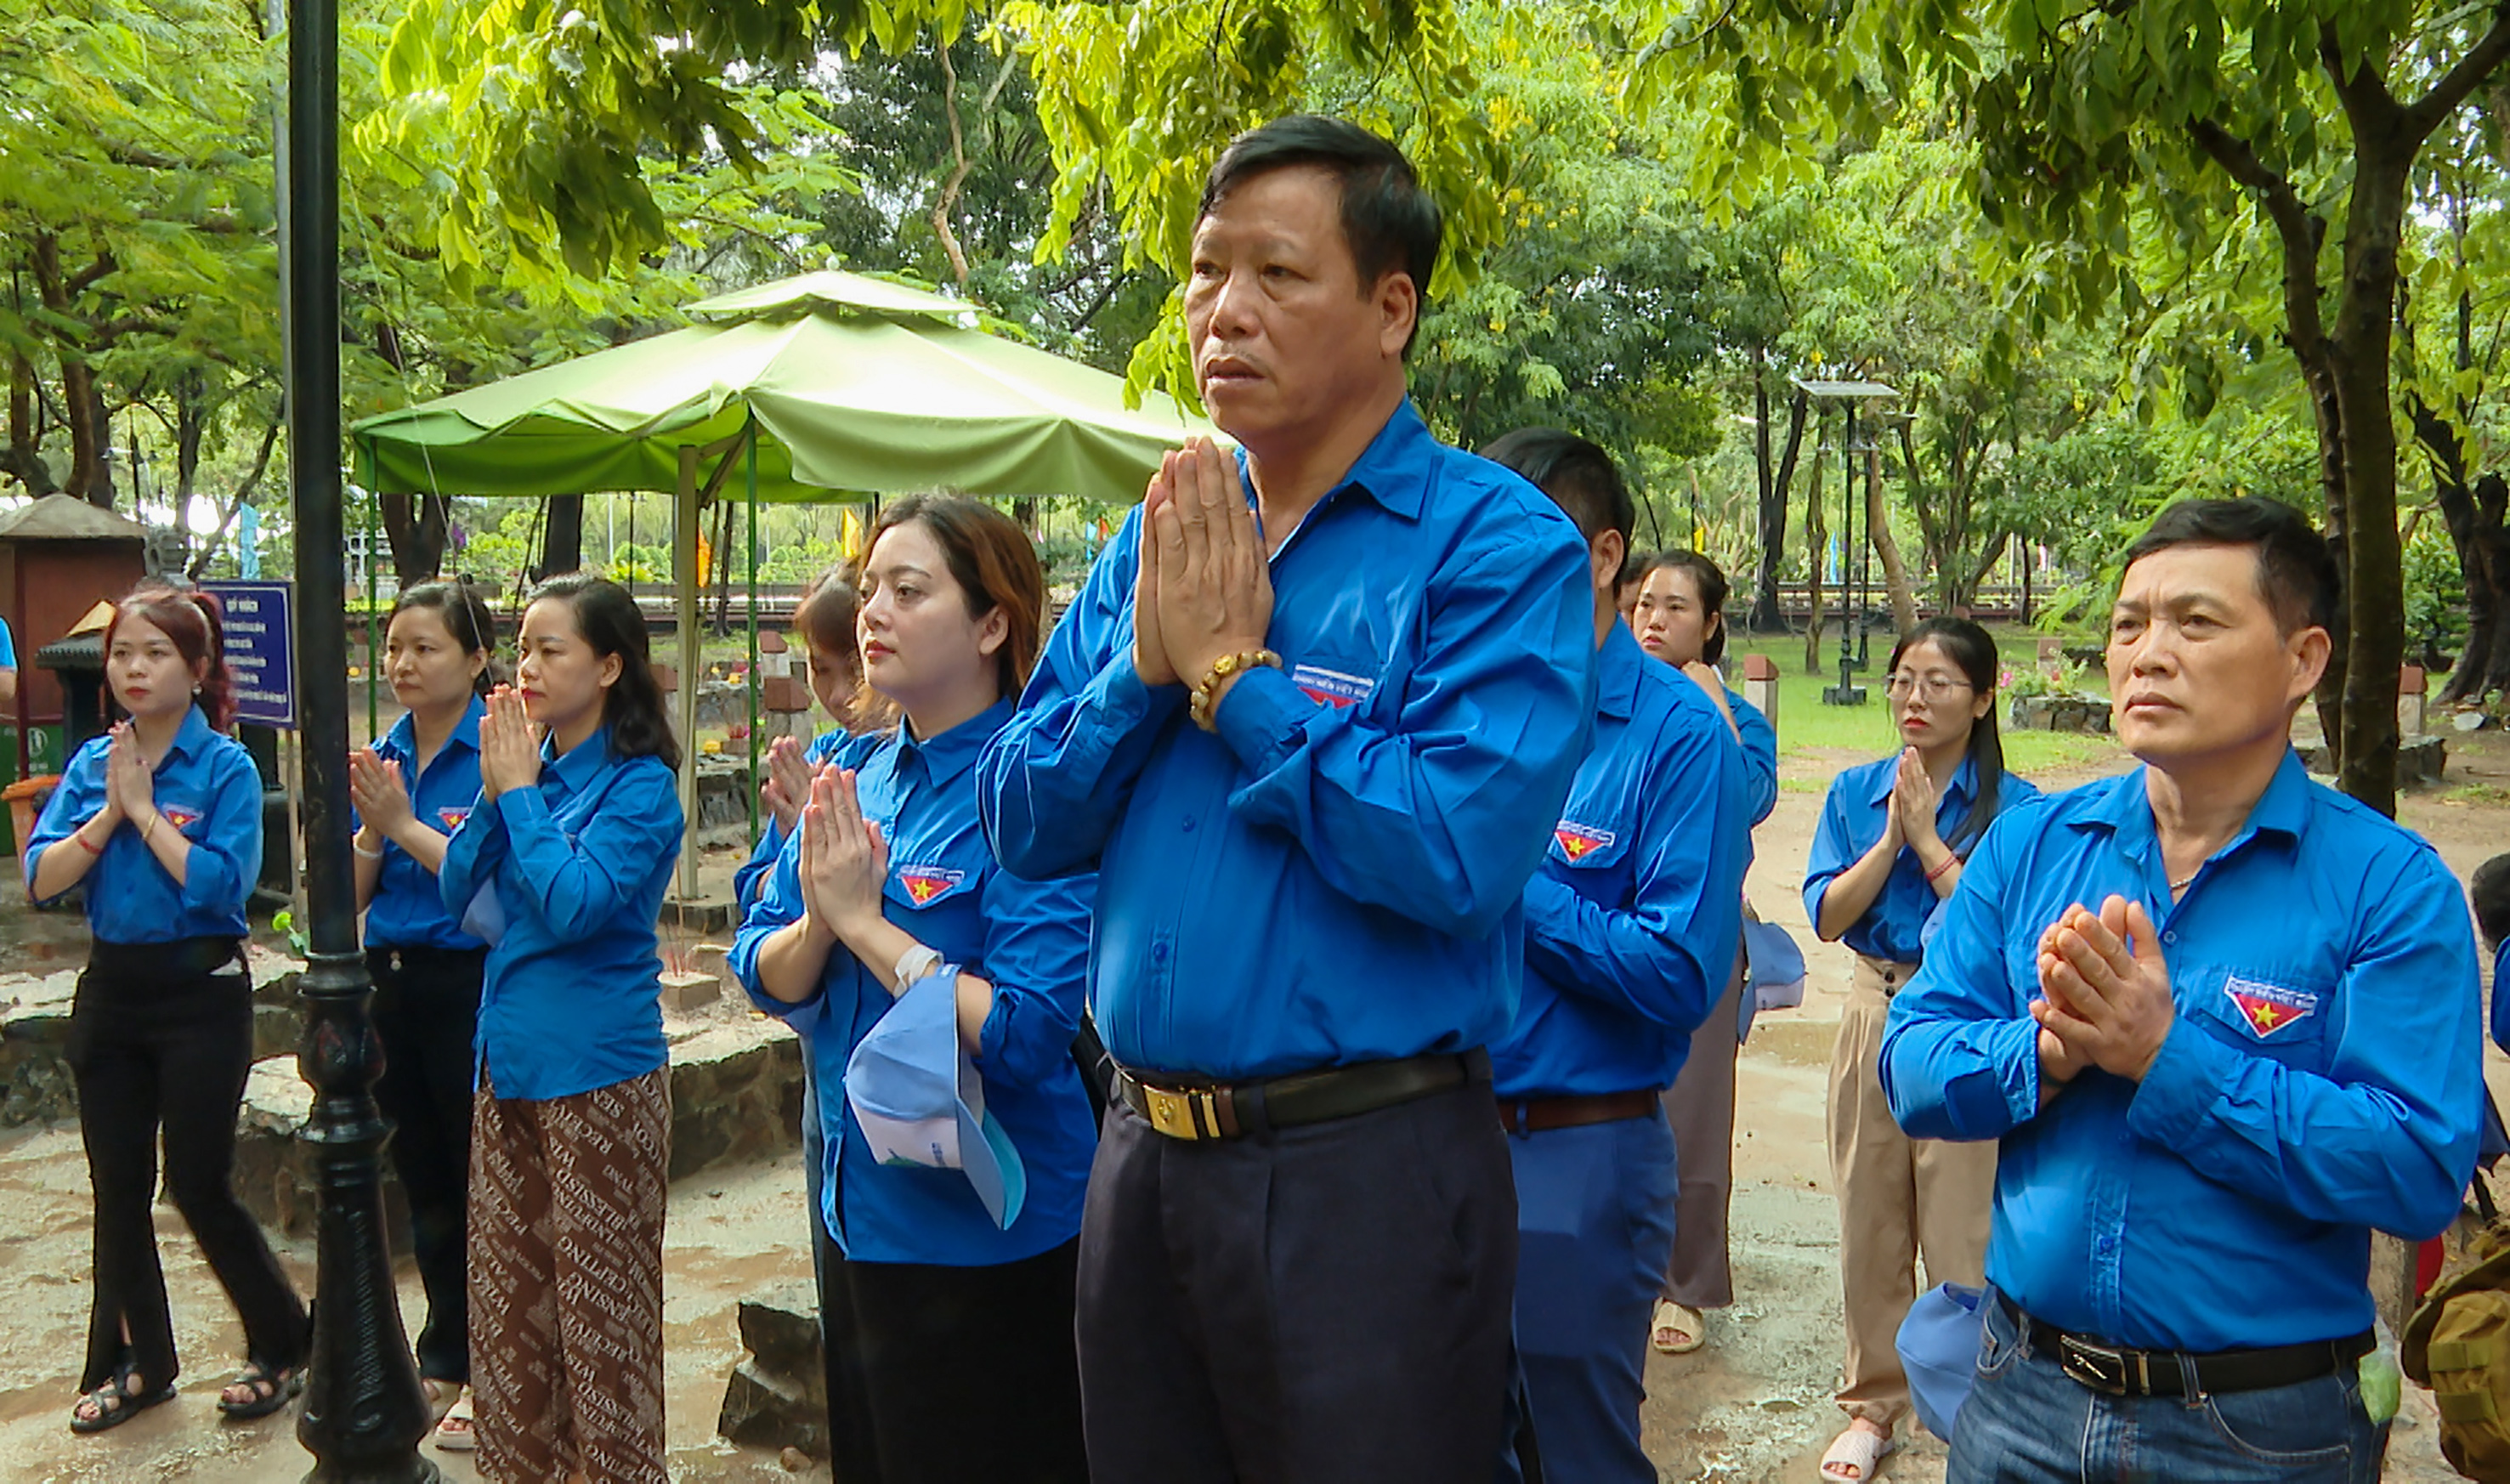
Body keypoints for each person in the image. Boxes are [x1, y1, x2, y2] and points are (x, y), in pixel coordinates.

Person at [977, 115, 1596, 1483]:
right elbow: (1018, 819)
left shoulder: (1494, 548)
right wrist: (1142, 674)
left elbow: (1453, 850)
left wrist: (1236, 683)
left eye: (1275, 272)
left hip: (1360, 1176)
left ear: (1391, 307)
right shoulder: (1161, 535)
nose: (1222, 311)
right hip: (1137, 1157)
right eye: (1205, 273)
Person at [1884, 498, 2484, 1484]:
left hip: (2258, 1430)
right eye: (2128, 626)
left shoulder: (2389, 887)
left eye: (2194, 623)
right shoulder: (2034, 845)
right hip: (2021, 1400)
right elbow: (1910, 1060)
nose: (2146, 654)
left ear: (2302, 661)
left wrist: (2167, 1059)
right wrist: (2044, 1054)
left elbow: (2415, 1165)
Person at [733, 495, 1095, 1483]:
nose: (871, 614)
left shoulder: (1035, 790)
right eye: (870, 591)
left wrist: (862, 924)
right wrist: (818, 921)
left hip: (989, 1240)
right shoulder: (853, 772)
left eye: (909, 589)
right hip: (861, 1215)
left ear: (991, 623)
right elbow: (757, 958)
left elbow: (1024, 1031)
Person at [1478, 431, 1749, 1481]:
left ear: (1600, 558)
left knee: (1575, 1449)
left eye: (1517, 534)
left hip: (1577, 1154)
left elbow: (1680, 973)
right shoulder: (1467, 714)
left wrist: (1512, 882)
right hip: (1438, 1138)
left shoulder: (1677, 735)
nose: (1484, 560)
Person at [25, 582, 309, 1433]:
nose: (134, 669)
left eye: (154, 654)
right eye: (122, 654)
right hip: (113, 992)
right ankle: (138, 1364)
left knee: (196, 1180)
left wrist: (145, 816)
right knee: (117, 1189)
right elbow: (41, 879)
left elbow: (222, 887)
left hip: (201, 994)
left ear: (197, 667)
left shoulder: (224, 766)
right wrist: (110, 811)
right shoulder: (92, 765)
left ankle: (281, 1342)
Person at [436, 572, 683, 1484]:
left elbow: (576, 906)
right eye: (522, 647)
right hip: (505, 1070)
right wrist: (505, 790)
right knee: (510, 1323)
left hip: (599, 1083)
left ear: (610, 665)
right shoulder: (522, 771)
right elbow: (455, 890)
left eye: (552, 649)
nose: (527, 667)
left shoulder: (641, 789)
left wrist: (522, 796)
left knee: (601, 1326)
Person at [1803, 614, 2038, 1482]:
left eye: (1939, 682)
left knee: (1962, 1223)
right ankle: (1873, 1403)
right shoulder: (1855, 791)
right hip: (1875, 1002)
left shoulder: (2019, 813)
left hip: (1970, 1024)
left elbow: (2006, 937)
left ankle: (1977, 1410)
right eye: (1903, 679)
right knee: (1869, 1213)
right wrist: (1892, 837)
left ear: (1982, 699)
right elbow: (1828, 916)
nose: (1915, 696)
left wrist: (1933, 841)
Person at [346, 578, 496, 1452]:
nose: (403, 663)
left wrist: (399, 822)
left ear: (476, 660)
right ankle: (445, 1346)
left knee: (484, 1177)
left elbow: (481, 883)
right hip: (390, 979)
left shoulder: (501, 755)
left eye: (425, 647)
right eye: (395, 647)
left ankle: (491, 1363)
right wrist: (375, 826)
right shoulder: (382, 753)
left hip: (468, 980)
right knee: (426, 1175)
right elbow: (350, 894)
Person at [1626, 550, 1778, 1358]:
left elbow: (1749, 800)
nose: (1654, 618)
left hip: (1700, 934)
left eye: (1677, 607)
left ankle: (1682, 1284)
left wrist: (1714, 708)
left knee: (1691, 1107)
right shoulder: (1605, 694)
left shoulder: (1738, 722)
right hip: (1603, 925)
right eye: (1645, 601)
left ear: (1711, 625)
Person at [731, 564, 865, 1451]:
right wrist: (790, 838)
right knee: (846, 1300)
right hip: (834, 1084)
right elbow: (761, 923)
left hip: (934, 1097)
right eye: (817, 668)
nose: (834, 689)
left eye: (844, 660)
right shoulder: (834, 770)